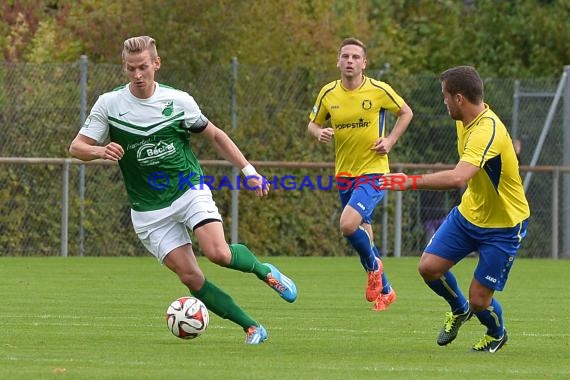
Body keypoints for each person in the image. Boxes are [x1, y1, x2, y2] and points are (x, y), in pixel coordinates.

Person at [69, 36, 297, 345]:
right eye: (130, 68)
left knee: (218, 253)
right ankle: (252, 327)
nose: (137, 75)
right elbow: (77, 147)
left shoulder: (179, 101)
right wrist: (99, 151)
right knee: (191, 277)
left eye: (143, 67)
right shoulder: (110, 104)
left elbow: (216, 136)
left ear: (156, 64)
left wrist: (249, 172)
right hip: (148, 210)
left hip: (187, 188)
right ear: (124, 68)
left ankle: (264, 271)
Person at [384, 65, 530, 352]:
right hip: (469, 214)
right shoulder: (463, 120)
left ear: (459, 98)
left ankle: (496, 332)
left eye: (445, 96)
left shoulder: (486, 130)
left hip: (504, 225)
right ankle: (457, 308)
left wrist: (408, 181)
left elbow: (458, 177)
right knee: (428, 268)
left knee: (480, 301)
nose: (444, 102)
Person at [307, 37, 413, 311]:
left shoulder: (378, 90)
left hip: (373, 171)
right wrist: (320, 132)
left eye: (356, 57)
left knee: (347, 225)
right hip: (344, 173)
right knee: (363, 232)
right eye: (345, 56)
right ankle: (386, 291)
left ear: (364, 63)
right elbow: (312, 123)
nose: (350, 61)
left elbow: (405, 112)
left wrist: (389, 141)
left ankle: (374, 267)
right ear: (338, 61)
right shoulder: (328, 93)